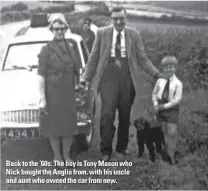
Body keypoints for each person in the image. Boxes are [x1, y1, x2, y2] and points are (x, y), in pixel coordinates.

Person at [81, 7, 164, 161]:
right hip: (109, 75)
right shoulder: (102, 33)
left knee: (125, 114)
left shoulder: (134, 34)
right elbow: (93, 58)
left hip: (127, 76)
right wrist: (86, 78)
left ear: (126, 18)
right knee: (107, 114)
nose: (119, 22)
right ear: (111, 19)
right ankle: (106, 150)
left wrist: (157, 74)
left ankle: (121, 146)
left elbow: (142, 58)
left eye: (121, 18)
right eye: (115, 19)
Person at [37, 15, 81, 164]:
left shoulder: (71, 47)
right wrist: (42, 98)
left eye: (62, 29)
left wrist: (79, 85)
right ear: (52, 30)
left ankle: (67, 156)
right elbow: (41, 76)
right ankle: (57, 156)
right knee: (54, 125)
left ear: (66, 29)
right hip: (53, 93)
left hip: (68, 91)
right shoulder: (46, 50)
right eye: (56, 29)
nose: (59, 32)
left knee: (69, 124)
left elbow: (77, 70)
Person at [152, 56, 183, 165]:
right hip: (160, 108)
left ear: (175, 68)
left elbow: (177, 99)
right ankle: (164, 152)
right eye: (166, 68)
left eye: (171, 67)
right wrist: (156, 104)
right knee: (162, 131)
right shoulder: (160, 81)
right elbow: (154, 93)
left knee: (172, 132)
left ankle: (172, 155)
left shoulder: (178, 83)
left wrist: (164, 107)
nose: (168, 70)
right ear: (162, 69)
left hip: (171, 109)